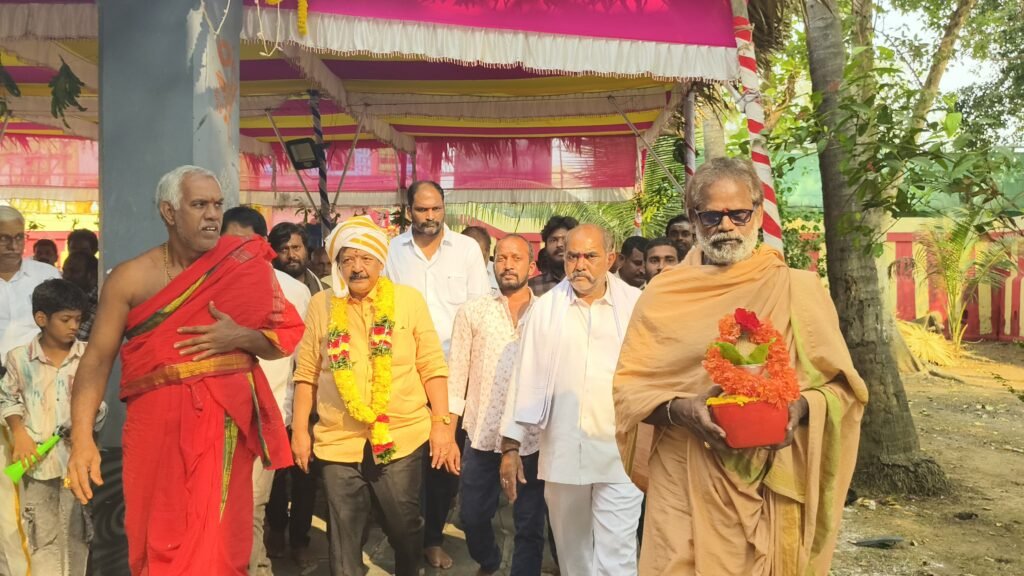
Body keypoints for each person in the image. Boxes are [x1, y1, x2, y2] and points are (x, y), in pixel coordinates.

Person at [613, 157, 869, 576]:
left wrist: (799, 408)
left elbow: (844, 389)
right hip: (685, 473)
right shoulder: (663, 294)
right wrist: (681, 410)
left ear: (758, 213)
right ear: (694, 216)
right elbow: (629, 391)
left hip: (772, 478)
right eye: (712, 216)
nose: (726, 226)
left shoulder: (796, 288)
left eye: (738, 214)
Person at [66, 165, 305, 575]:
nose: (212, 215)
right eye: (199, 205)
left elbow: (280, 341)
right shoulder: (130, 277)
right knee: (157, 533)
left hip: (223, 424)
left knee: (219, 544)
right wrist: (82, 437)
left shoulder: (244, 266)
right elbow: (97, 359)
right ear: (169, 212)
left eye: (217, 204)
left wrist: (238, 336)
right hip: (155, 427)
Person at [290, 215, 458, 576]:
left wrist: (442, 424)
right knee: (343, 539)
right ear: (337, 265)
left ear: (381, 262)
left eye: (366, 258)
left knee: (404, 528)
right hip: (338, 438)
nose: (357, 267)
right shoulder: (321, 305)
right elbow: (306, 374)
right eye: (348, 259)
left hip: (401, 434)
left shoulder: (408, 301)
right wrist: (300, 430)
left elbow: (432, 364)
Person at [501, 224, 644, 576]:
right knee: (572, 553)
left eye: (590, 256)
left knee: (619, 555)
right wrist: (510, 446)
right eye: (572, 256)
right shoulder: (546, 310)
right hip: (564, 451)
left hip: (621, 452)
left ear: (611, 258)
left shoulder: (637, 305)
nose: (580, 265)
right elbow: (523, 373)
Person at [384, 180, 489, 569]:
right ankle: (406, 539)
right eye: (422, 209)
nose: (430, 216)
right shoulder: (391, 251)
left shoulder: (466, 251)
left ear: (445, 207)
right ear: (408, 209)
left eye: (436, 209)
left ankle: (432, 539)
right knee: (406, 461)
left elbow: (479, 312)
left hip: (453, 374)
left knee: (444, 461)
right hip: (404, 374)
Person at [221, 206, 314, 575]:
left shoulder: (293, 291)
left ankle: (257, 567)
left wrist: (295, 419)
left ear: (262, 244)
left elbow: (302, 359)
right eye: (230, 243)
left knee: (252, 505)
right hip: (216, 414)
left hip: (268, 412)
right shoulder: (209, 285)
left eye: (246, 243)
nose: (237, 251)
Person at [448, 235, 546, 576]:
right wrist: (447, 433)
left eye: (516, 258)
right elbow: (456, 376)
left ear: (531, 267)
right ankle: (489, 560)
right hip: (483, 436)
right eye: (501, 258)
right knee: (472, 516)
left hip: (534, 438)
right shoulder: (472, 311)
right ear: (492, 264)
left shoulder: (548, 314)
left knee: (530, 523)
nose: (507, 265)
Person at [0, 279, 106, 576]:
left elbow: (99, 403)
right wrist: (19, 433)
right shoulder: (19, 358)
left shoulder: (88, 356)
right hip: (36, 466)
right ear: (41, 319)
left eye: (78, 320)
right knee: (40, 536)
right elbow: (6, 398)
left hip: (77, 464)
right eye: (66, 319)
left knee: (77, 536)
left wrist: (86, 422)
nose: (74, 326)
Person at [0, 205, 60, 576]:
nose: (12, 246)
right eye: (3, 239)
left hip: (35, 396)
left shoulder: (45, 276)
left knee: (32, 494)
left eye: (18, 238)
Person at [269, 222, 326, 296]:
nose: (291, 255)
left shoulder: (325, 292)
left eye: (296, 247)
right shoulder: (264, 291)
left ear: (306, 249)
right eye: (284, 249)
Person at [528, 215, 577, 296]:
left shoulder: (589, 283)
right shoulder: (531, 288)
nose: (559, 244)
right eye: (553, 240)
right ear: (546, 246)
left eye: (565, 239)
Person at [62, 252, 100, 340]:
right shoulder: (64, 298)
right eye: (64, 271)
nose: (66, 276)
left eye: (73, 271)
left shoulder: (101, 303)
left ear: (91, 275)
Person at [462, 225, 498, 292]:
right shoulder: (449, 270)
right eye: (468, 256)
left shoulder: (499, 273)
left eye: (478, 257)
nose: (473, 263)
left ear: (488, 252)